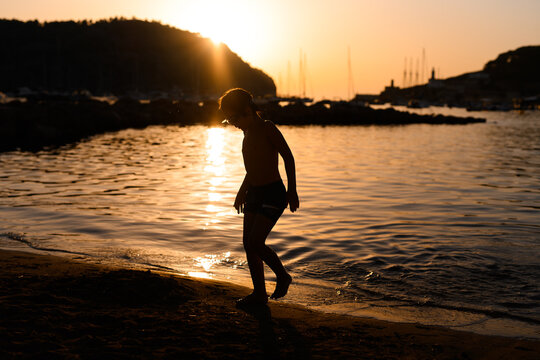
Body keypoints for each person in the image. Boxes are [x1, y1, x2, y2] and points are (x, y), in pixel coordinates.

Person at [219, 88, 300, 307]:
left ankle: (283, 276)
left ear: (246, 111)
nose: (232, 123)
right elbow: (253, 167)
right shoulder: (246, 133)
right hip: (254, 193)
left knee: (256, 241)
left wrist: (292, 190)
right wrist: (241, 190)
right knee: (248, 243)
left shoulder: (267, 128)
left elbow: (288, 158)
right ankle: (259, 294)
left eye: (233, 118)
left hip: (273, 193)